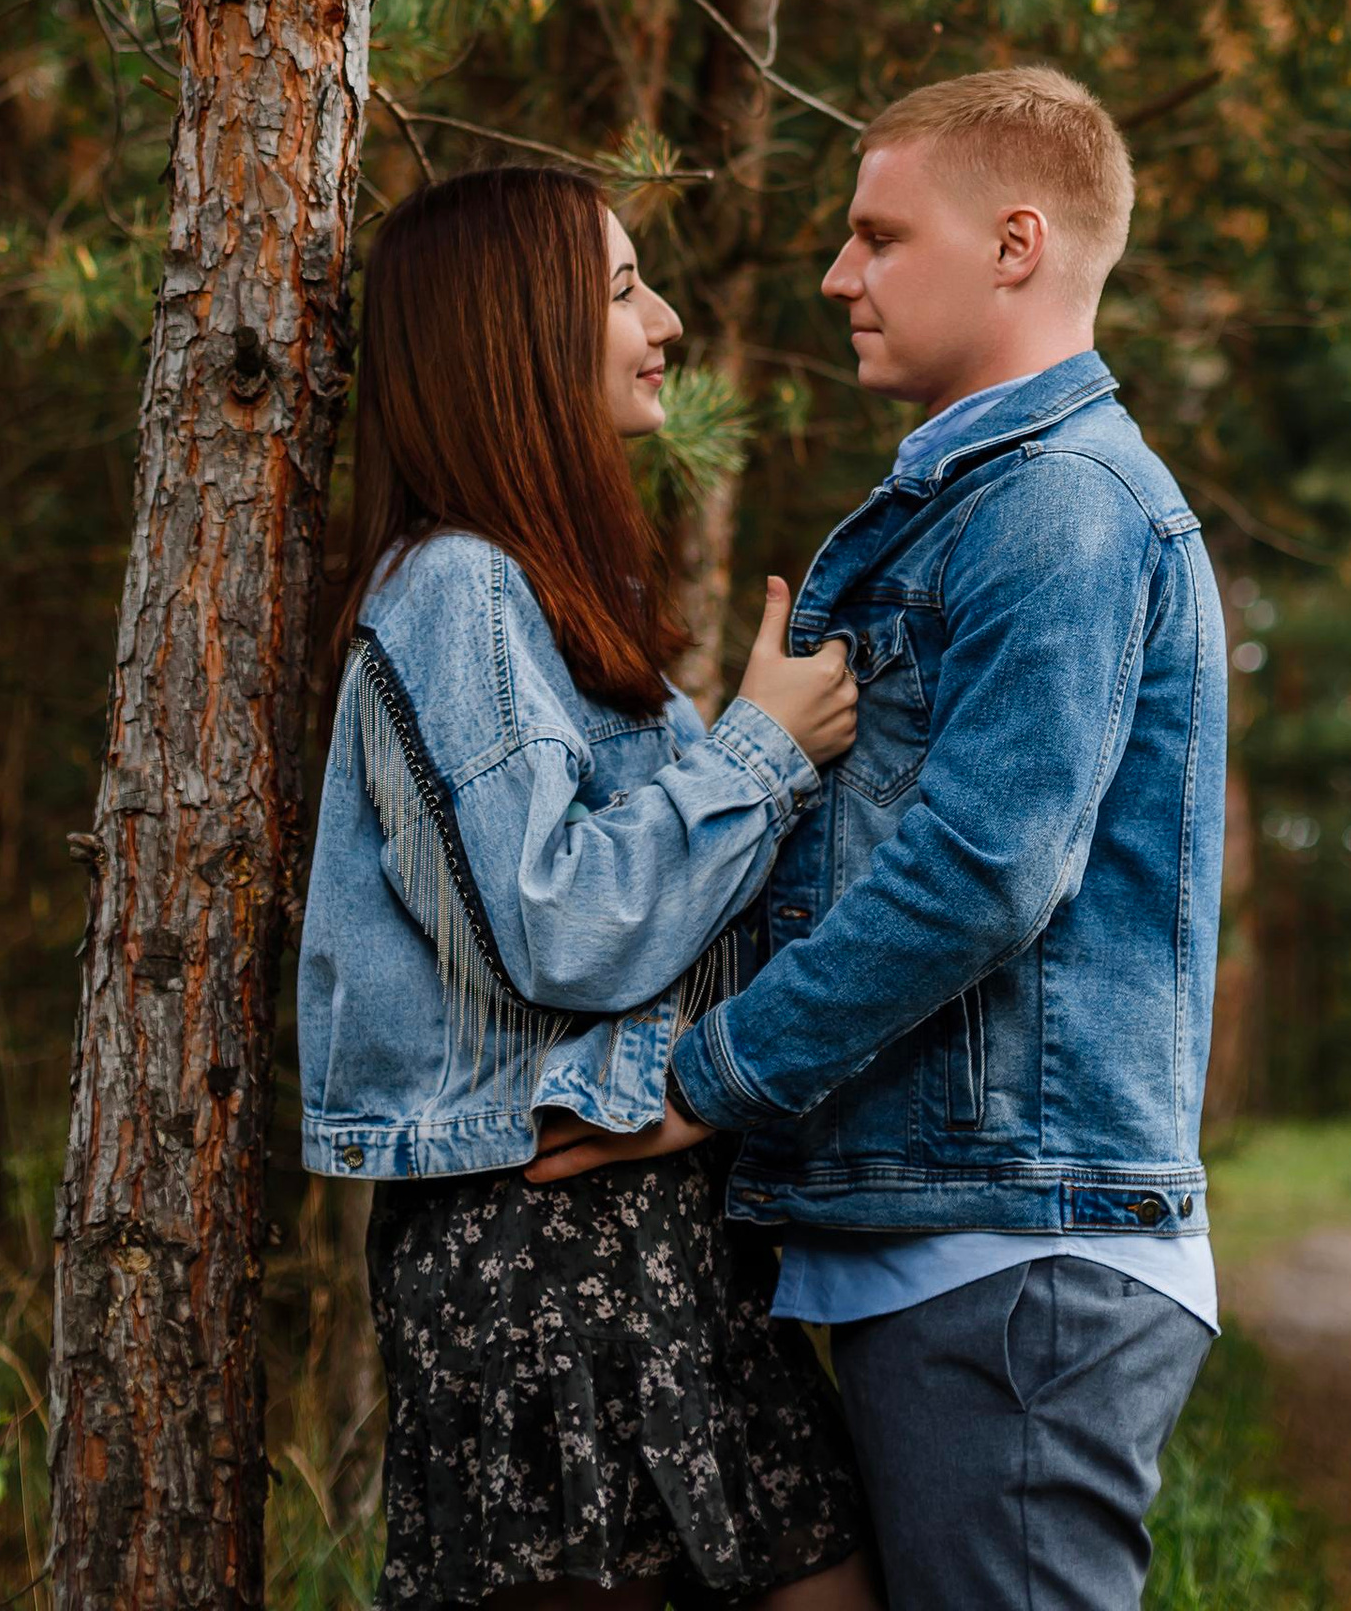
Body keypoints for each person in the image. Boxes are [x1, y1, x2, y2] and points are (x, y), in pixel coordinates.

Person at [565, 65, 1230, 1611]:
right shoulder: (978, 501)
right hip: (964, 1233)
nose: (836, 276)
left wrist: (707, 1080)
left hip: (1016, 1253)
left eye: (878, 236)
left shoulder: (1058, 505)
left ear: (1013, 244)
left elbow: (984, 872)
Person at [297, 160, 879, 1611]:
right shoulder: (452, 590)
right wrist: (759, 752)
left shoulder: (553, 597)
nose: (666, 319)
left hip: (661, 1228)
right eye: (624, 289)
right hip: (536, 1260)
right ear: (517, 333)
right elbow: (555, 918)